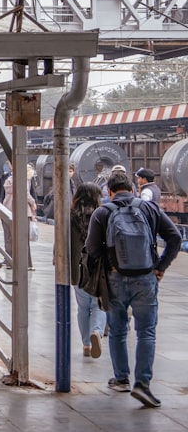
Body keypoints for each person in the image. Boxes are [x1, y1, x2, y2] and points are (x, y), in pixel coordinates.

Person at [85, 172, 180, 408]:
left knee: (117, 331)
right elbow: (175, 237)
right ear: (132, 188)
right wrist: (160, 267)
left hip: (115, 278)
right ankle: (143, 384)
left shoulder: (102, 212)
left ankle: (121, 379)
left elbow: (92, 249)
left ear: (109, 191)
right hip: (146, 277)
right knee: (146, 332)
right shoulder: (149, 209)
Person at [70, 183, 106, 358]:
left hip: (78, 270)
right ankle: (97, 331)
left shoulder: (70, 216)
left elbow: (61, 242)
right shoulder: (103, 215)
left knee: (82, 308)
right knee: (98, 305)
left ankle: (86, 345)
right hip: (98, 269)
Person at [2, 163, 34, 270]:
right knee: (23, 239)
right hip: (23, 212)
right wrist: (33, 203)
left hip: (7, 211)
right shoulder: (24, 180)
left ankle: (9, 261)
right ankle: (26, 263)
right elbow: (26, 193)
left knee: (9, 238)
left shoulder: (8, 180)